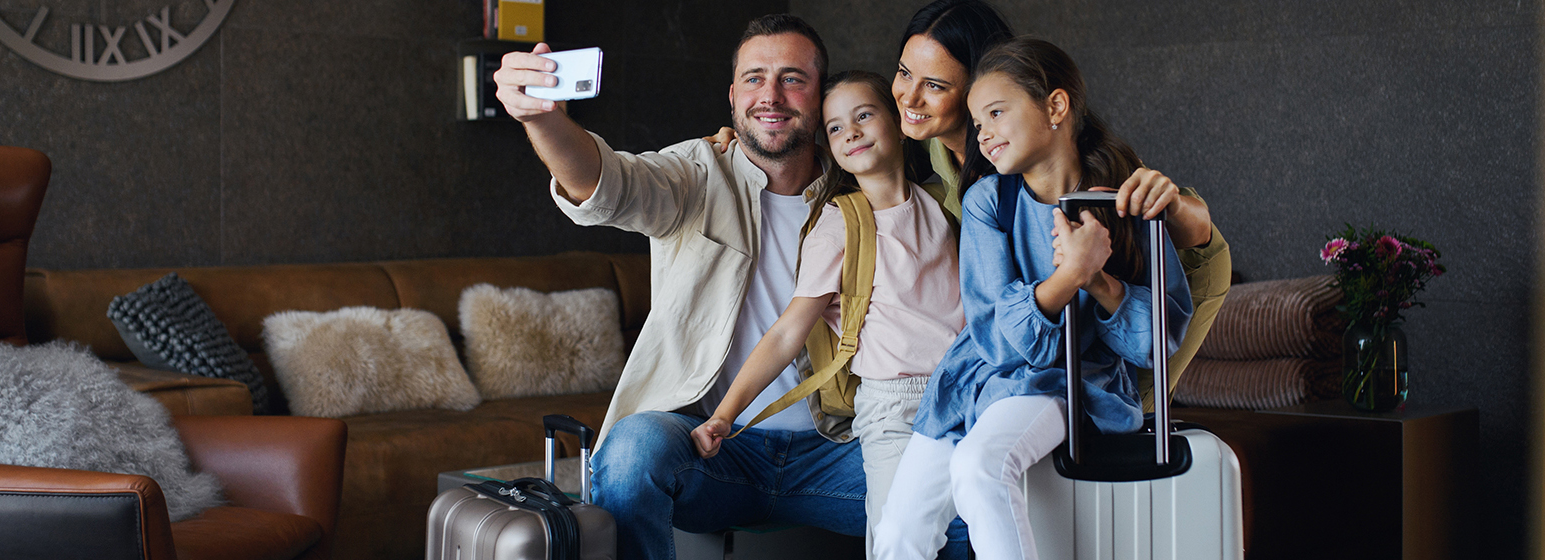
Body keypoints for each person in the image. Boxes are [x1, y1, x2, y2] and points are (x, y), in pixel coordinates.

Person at [711, 0, 1231, 407]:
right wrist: (753, 138)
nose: (908, 98)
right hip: (1038, 324)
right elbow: (853, 142)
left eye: (935, 85)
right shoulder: (925, 148)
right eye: (904, 72)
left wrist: (1178, 211)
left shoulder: (1044, 162)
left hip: (1162, 289)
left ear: (982, 90)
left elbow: (1192, 227)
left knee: (1106, 417)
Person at [493, 14, 863, 560]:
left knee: (956, 490)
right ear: (732, 95)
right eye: (755, 78)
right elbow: (608, 185)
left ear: (821, 96)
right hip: (712, 454)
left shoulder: (861, 192)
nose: (771, 95)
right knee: (630, 452)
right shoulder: (695, 171)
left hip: (835, 454)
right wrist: (543, 122)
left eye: (793, 78)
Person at [872, 38, 1194, 560]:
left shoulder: (1126, 198)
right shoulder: (987, 202)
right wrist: (1070, 275)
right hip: (971, 384)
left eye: (997, 112)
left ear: (1056, 107)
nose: (985, 134)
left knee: (980, 468)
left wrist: (1099, 281)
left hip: (1066, 381)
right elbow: (996, 343)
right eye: (978, 123)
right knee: (897, 534)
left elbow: (1159, 343)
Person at [689, 71, 963, 557]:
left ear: (899, 123)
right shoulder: (839, 224)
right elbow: (787, 332)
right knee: (901, 540)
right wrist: (726, 415)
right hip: (895, 407)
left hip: (965, 395)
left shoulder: (943, 202)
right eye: (835, 128)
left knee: (972, 530)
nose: (851, 131)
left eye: (864, 115)